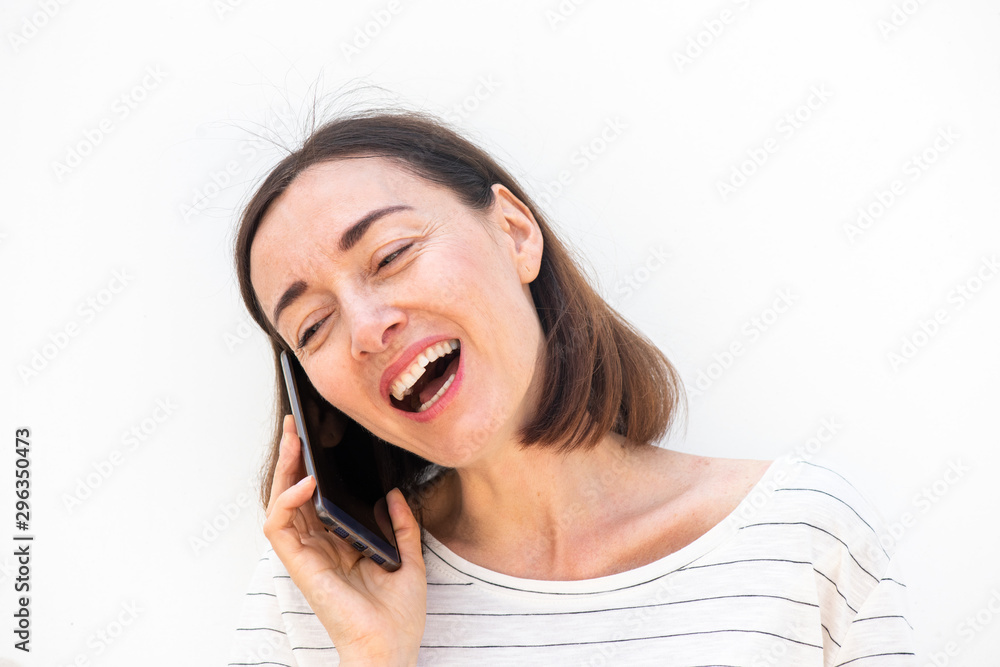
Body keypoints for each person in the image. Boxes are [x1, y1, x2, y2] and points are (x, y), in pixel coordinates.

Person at [227, 108, 915, 666]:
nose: (367, 329)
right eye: (313, 326)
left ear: (515, 233)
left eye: (392, 255)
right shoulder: (318, 595)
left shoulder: (800, 535)